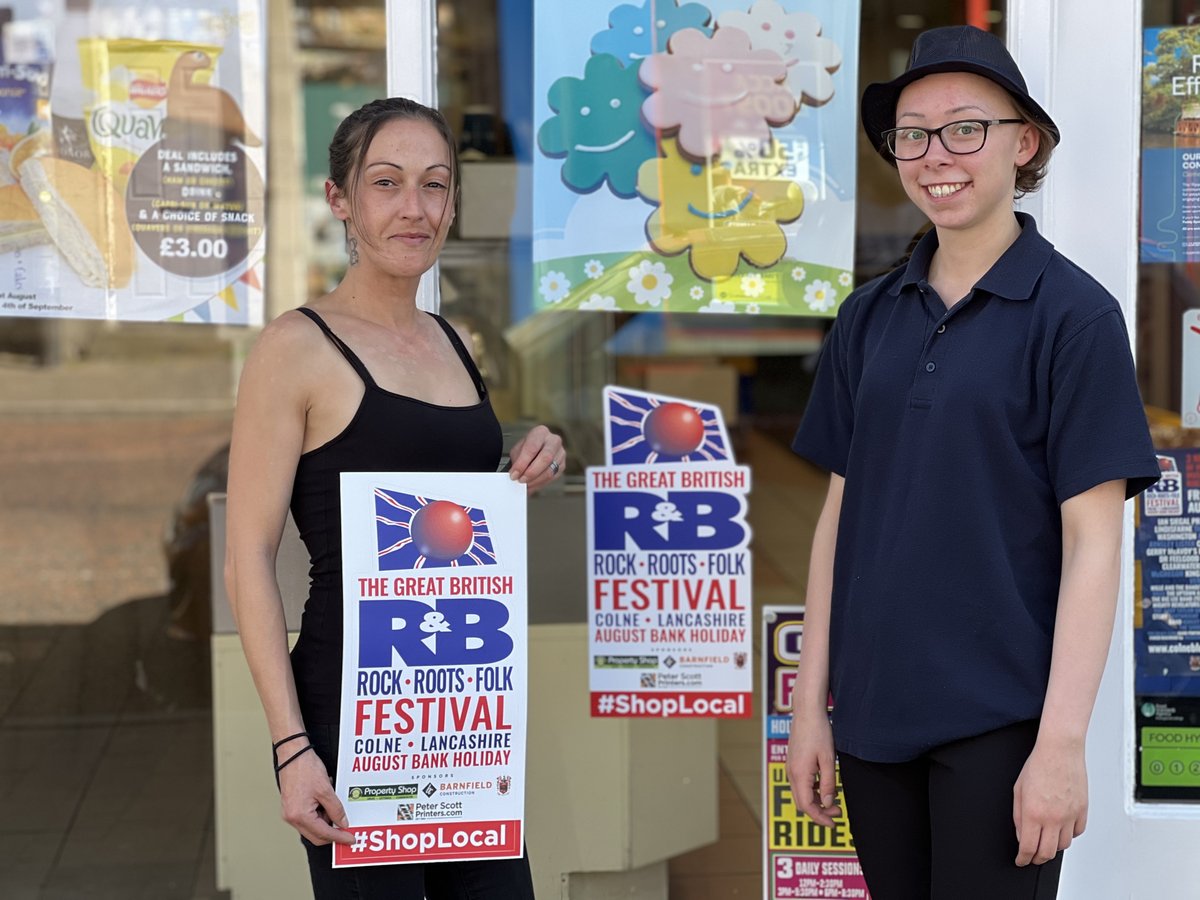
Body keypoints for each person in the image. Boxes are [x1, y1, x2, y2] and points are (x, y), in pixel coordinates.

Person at [786, 26, 1160, 899]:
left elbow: (1096, 543)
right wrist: (809, 709)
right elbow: (841, 517)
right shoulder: (868, 316)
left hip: (1002, 722)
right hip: (875, 715)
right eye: (911, 134)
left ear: (1023, 142)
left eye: (965, 128)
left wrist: (1062, 744)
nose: (934, 156)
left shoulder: (1075, 317)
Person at [224, 97, 558, 899]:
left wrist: (529, 458)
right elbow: (246, 560)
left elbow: (449, 513)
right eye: (386, 183)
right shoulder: (295, 348)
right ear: (340, 199)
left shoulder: (453, 341)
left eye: (435, 185)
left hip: (459, 718)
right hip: (349, 721)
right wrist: (291, 748)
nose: (415, 207)